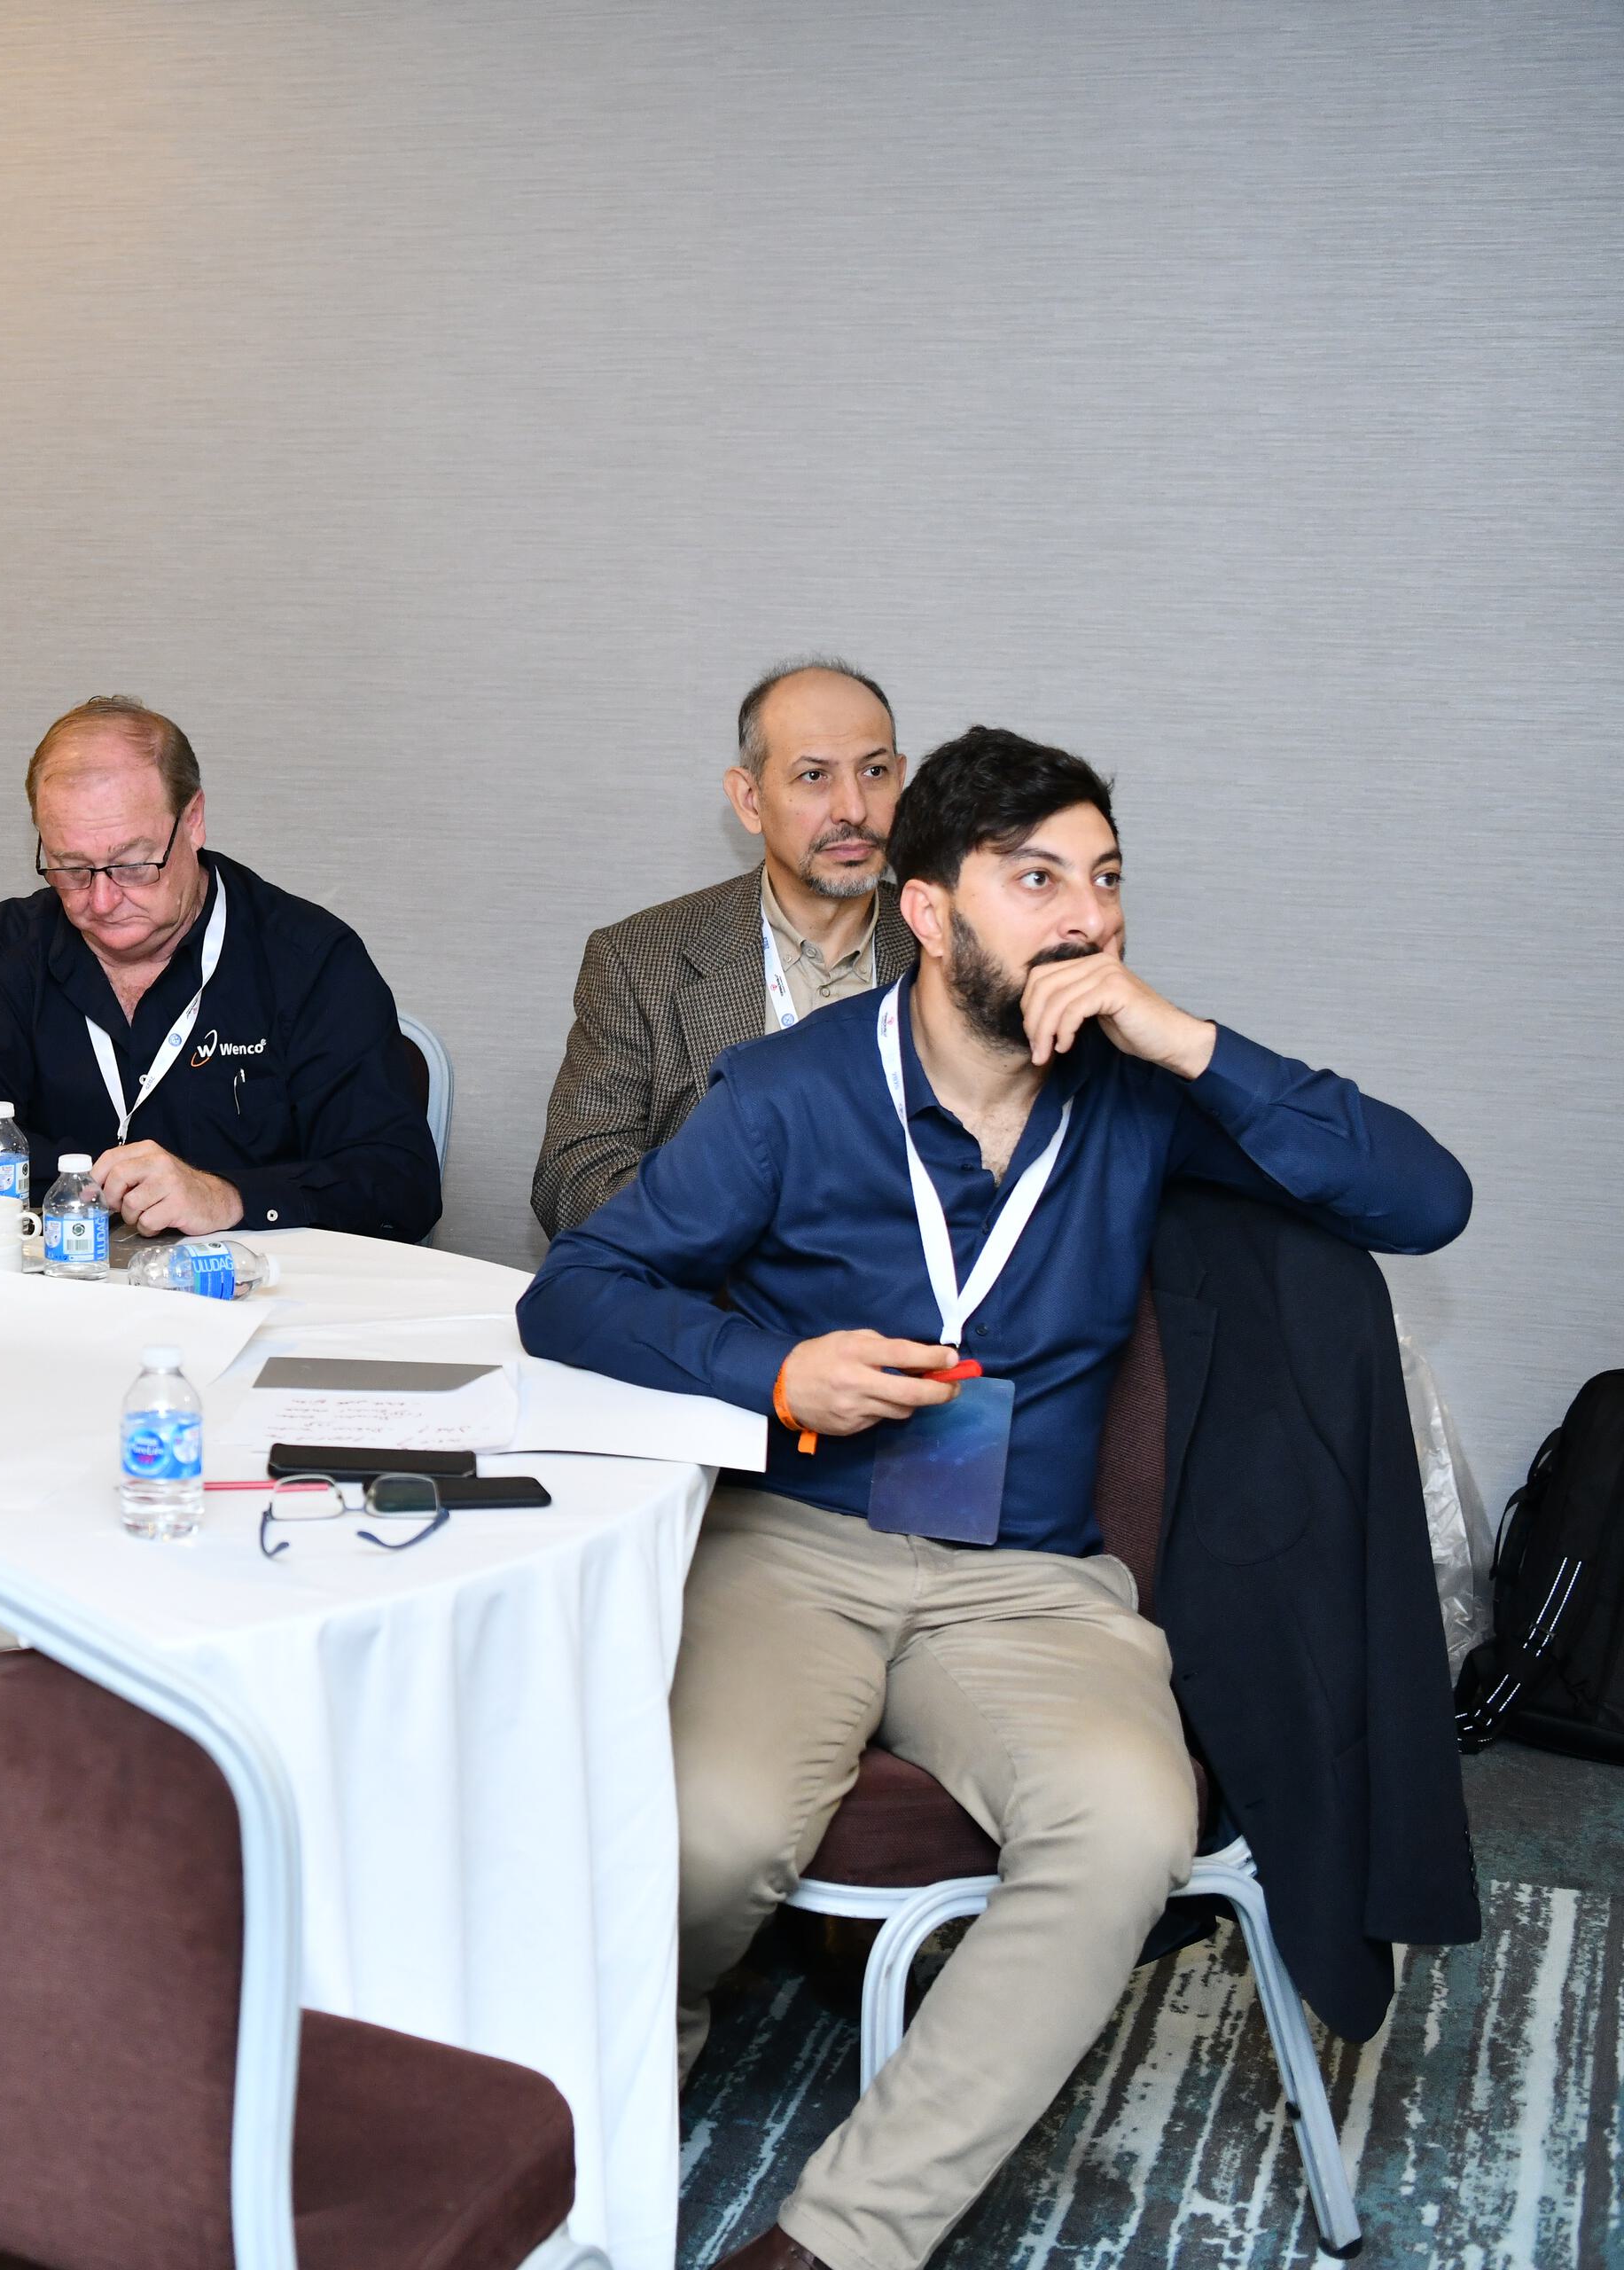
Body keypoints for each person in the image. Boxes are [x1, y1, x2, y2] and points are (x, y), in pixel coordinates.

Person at [517, 728, 1471, 2270]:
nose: (1085, 914)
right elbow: (574, 1293)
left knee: (1128, 1828)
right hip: (800, 1543)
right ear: (930, 911)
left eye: (1104, 879)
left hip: (1033, 1579)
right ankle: (641, 2038)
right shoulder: (788, 1095)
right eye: (1035, 880)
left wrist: (1189, 1040)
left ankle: (839, 2241)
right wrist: (773, 1371)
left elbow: (1428, 1201)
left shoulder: (1141, 1095)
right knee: (708, 1836)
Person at [0, 696, 439, 1240]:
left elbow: (400, 1184)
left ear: (193, 822)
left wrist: (228, 1197)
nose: (101, 901)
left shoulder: (310, 960)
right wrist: (101, 1187)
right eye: (71, 868)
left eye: (132, 865)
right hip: (65, 1274)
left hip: (252, 1280)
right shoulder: (8, 950)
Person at [531, 658, 918, 1237]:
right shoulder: (639, 959)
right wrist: (765, 1250)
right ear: (749, 800)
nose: (853, 809)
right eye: (814, 776)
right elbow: (575, 1178)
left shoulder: (955, 952)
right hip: (720, 1287)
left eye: (874, 771)